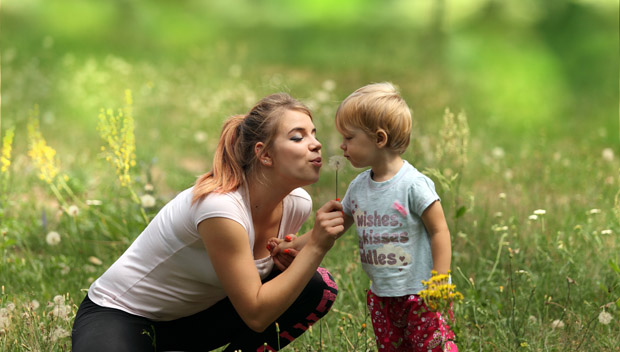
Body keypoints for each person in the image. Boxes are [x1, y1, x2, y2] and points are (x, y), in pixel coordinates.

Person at [71, 93, 344, 352]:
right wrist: (317, 246)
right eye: (298, 137)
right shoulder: (220, 207)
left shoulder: (298, 203)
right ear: (265, 155)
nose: (316, 143)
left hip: (193, 319)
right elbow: (256, 314)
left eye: (314, 134)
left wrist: (345, 217)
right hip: (123, 315)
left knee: (316, 286)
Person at [274, 82, 457, 351]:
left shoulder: (413, 185)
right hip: (382, 295)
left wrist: (439, 281)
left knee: (434, 347)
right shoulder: (359, 187)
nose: (342, 145)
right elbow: (331, 228)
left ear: (379, 139)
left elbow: (439, 231)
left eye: (349, 138)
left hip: (421, 293)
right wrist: (291, 246)